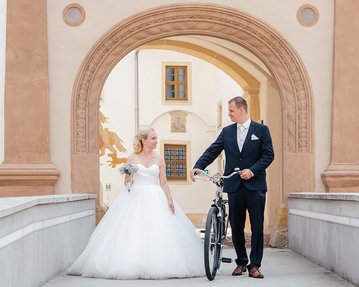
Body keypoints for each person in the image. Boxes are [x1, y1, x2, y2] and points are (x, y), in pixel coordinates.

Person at [68, 128, 204, 279]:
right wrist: (128, 176)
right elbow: (127, 182)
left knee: (159, 229)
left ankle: (160, 263)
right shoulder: (132, 158)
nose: (156, 141)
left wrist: (169, 200)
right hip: (135, 196)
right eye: (153, 138)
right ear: (143, 140)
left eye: (156, 138)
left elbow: (163, 181)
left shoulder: (159, 159)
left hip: (155, 195)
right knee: (132, 228)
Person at [190, 96, 274, 279]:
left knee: (257, 226)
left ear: (241, 109)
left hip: (255, 186)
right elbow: (213, 150)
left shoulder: (261, 130)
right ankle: (242, 262)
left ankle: (255, 265)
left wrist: (252, 171)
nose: (228, 114)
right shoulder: (227, 132)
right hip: (234, 185)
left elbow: (268, 155)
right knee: (236, 226)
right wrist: (198, 166)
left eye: (231, 111)